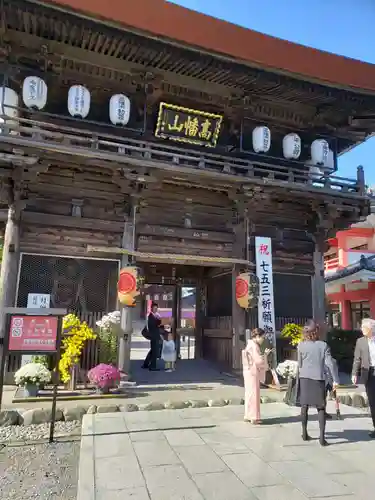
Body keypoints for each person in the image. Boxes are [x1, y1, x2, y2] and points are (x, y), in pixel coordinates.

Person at [298, 319, 339, 446]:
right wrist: (336, 380)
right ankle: (322, 437)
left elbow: (299, 364)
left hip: (304, 378)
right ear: (316, 332)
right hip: (318, 378)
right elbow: (330, 364)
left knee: (304, 406)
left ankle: (304, 433)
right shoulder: (323, 345)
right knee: (321, 407)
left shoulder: (301, 345)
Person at [242, 328, 272, 424]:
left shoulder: (250, 344)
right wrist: (266, 356)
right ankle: (254, 417)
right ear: (257, 336)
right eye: (262, 337)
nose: (263, 339)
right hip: (252, 372)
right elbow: (259, 361)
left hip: (248, 370)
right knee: (254, 394)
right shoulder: (254, 346)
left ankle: (248, 414)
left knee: (249, 393)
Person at [352, 317, 375, 438]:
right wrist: (354, 373)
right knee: (372, 401)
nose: (361, 329)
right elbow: (357, 359)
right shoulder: (360, 341)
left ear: (370, 328)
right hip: (368, 373)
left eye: (363, 327)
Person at [142, 303, 162, 371]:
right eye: (154, 308)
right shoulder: (151, 316)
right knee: (155, 352)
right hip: (154, 336)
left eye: (156, 308)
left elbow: (157, 325)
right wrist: (158, 320)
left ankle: (146, 364)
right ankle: (153, 366)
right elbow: (153, 325)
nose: (156, 309)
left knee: (153, 351)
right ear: (151, 309)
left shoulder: (155, 316)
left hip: (155, 335)